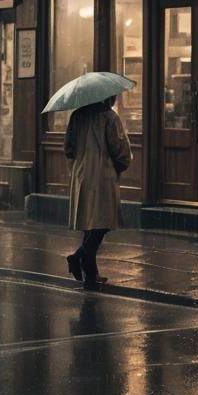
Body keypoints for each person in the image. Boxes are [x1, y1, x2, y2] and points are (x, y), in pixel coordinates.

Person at [64, 96, 131, 290]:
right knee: (102, 223)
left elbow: (68, 148)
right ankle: (77, 257)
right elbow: (119, 148)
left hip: (82, 174)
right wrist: (121, 165)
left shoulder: (77, 116)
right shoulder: (110, 118)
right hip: (102, 174)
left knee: (90, 224)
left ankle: (91, 274)